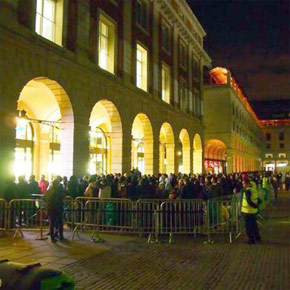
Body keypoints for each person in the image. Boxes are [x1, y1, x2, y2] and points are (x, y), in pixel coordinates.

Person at [241, 179, 261, 244]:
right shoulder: (254, 191)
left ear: (247, 184)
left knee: (248, 227)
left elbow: (248, 201)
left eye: (243, 184)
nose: (243, 185)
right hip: (253, 211)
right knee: (254, 225)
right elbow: (258, 200)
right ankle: (257, 237)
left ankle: (251, 239)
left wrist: (253, 205)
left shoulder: (247, 191)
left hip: (247, 211)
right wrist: (256, 206)